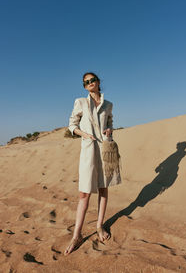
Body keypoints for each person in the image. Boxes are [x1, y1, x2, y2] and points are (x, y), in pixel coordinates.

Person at [64, 72, 121, 255]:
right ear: (84, 86)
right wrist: (84, 134)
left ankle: (99, 226)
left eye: (92, 80)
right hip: (88, 150)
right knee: (84, 193)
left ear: (98, 82)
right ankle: (77, 235)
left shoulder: (109, 104)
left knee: (104, 188)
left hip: (105, 149)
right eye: (86, 82)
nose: (89, 83)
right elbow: (72, 125)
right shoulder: (80, 102)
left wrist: (109, 130)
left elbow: (110, 121)